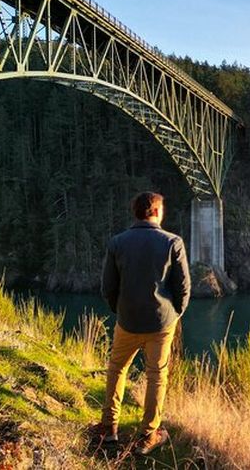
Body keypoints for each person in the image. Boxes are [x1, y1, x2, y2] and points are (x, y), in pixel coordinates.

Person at [90, 192, 191, 455]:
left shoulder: (117, 242)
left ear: (135, 212)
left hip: (128, 321)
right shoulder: (173, 242)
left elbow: (108, 286)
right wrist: (174, 314)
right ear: (156, 212)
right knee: (156, 376)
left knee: (116, 370)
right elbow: (183, 288)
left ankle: (109, 429)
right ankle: (148, 435)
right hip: (161, 323)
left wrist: (120, 311)